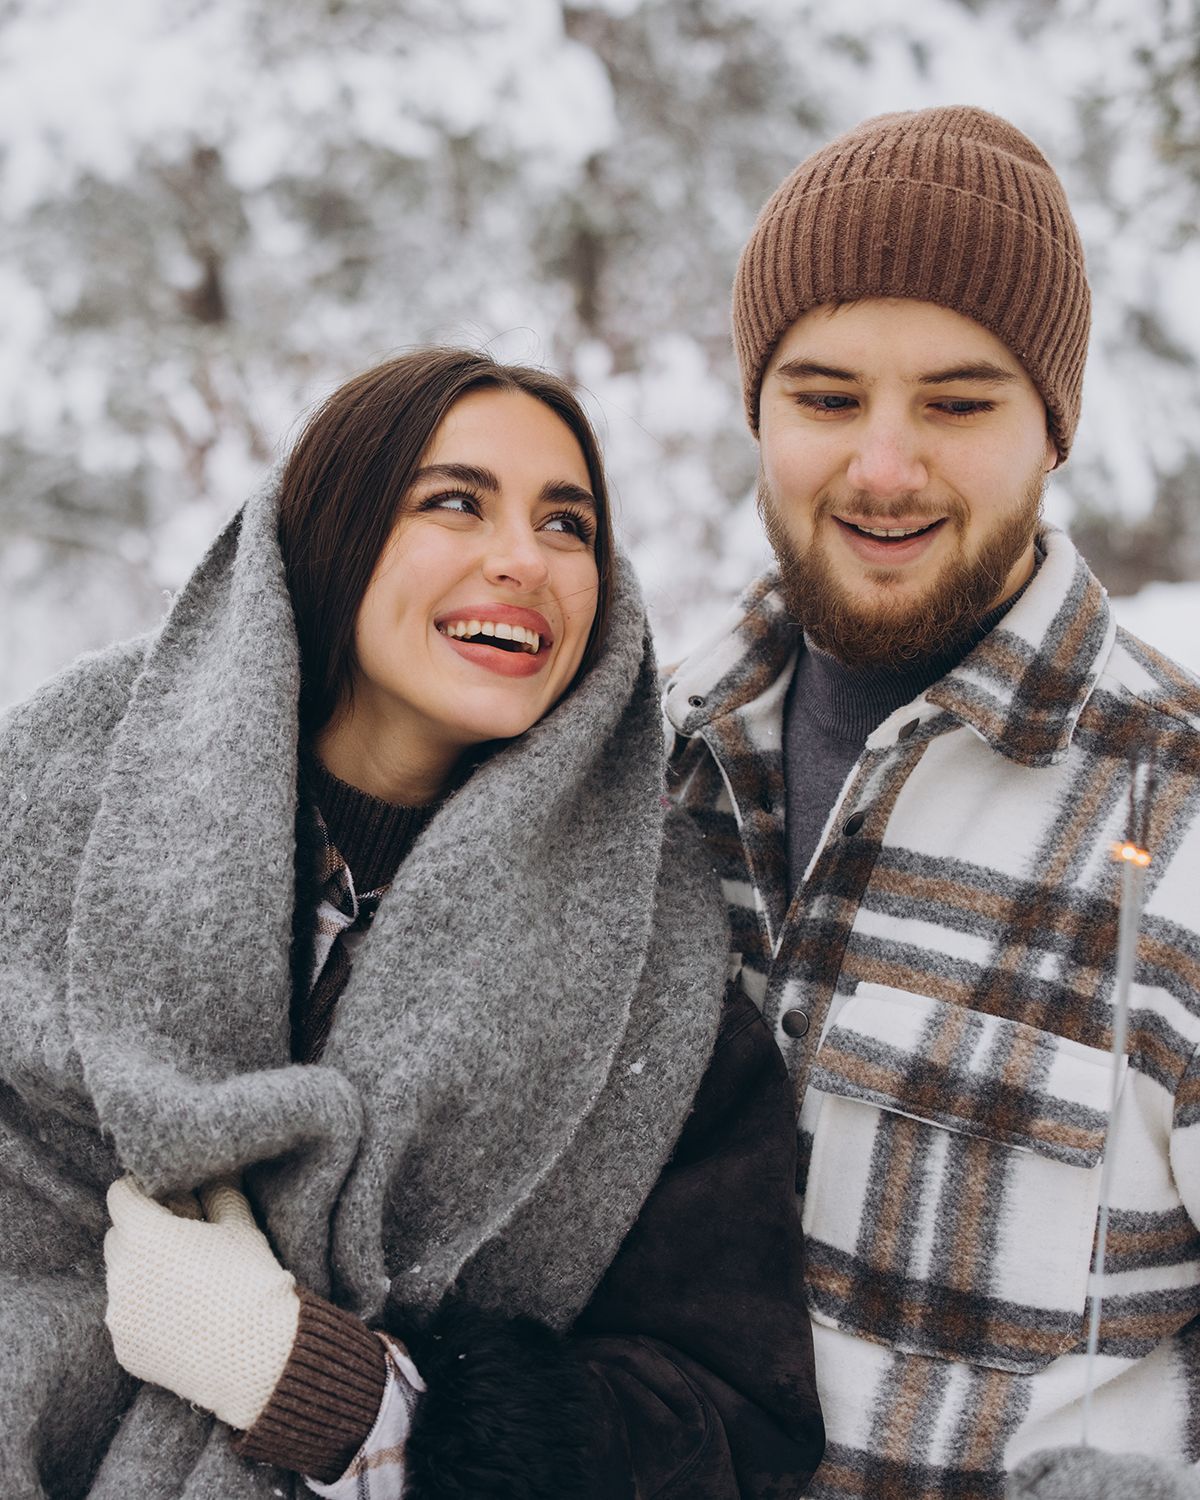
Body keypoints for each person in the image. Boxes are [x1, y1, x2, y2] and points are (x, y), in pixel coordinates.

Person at [0, 349, 824, 1498]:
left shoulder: (655, 955)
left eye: (568, 525)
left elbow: (728, 1417)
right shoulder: (63, 788)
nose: (521, 561)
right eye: (454, 501)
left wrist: (334, 1391)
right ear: (330, 526)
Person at [664, 107, 1200, 1499]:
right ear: (759, 411)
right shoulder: (645, 777)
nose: (885, 467)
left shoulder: (1180, 814)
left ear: (1053, 430)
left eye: (958, 404)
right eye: (828, 398)